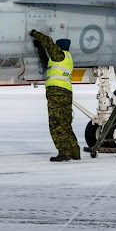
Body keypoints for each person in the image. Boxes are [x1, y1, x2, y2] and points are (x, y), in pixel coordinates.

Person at [30, 29, 80, 162]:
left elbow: (49, 42)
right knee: (66, 123)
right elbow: (47, 63)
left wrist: (35, 34)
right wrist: (40, 48)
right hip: (66, 93)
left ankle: (64, 152)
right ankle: (75, 151)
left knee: (56, 124)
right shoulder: (66, 59)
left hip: (57, 94)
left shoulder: (60, 55)